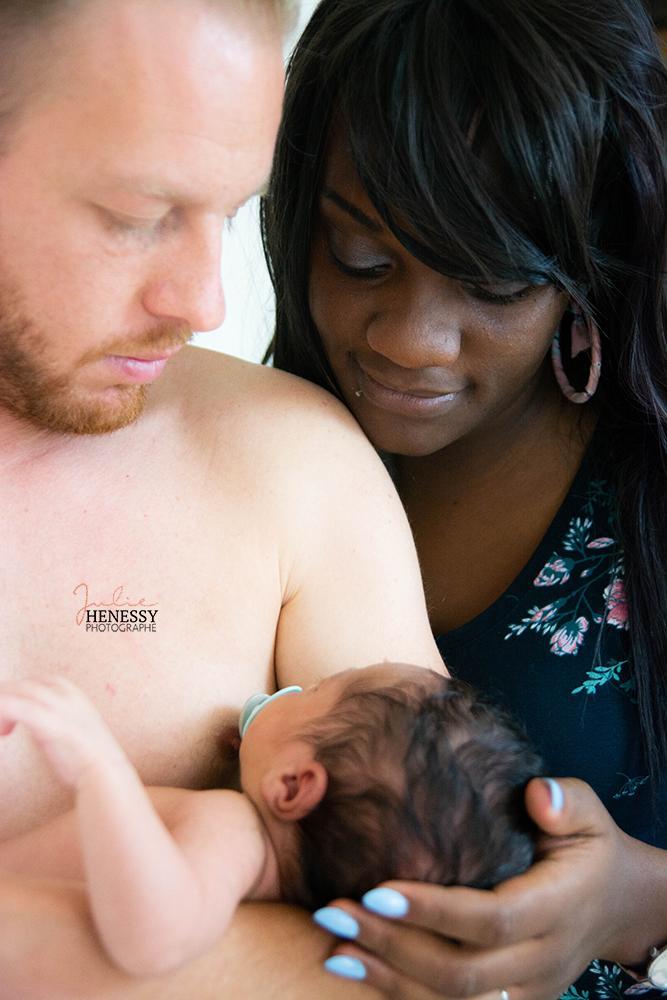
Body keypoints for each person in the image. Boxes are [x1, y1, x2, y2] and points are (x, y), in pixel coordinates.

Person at [0, 1, 448, 998]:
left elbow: (435, 961)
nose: (205, 302)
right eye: (139, 216)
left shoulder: (293, 468)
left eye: (233, 213)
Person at [262, 0, 667, 997]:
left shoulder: (641, 502)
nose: (413, 340)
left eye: (491, 283)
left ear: (585, 270)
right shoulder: (250, 458)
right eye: (361, 259)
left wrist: (629, 898)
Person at [0, 666, 542, 979]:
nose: (293, 687)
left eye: (311, 691)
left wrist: (99, 769)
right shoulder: (268, 871)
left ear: (291, 786)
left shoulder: (232, 828)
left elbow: (156, 942)